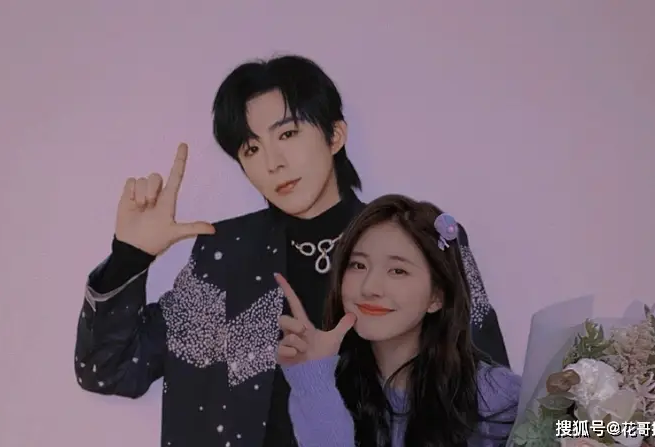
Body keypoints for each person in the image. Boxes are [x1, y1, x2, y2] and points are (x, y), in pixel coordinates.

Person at [73, 55, 510, 447]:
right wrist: (130, 257)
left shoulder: (418, 240)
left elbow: (492, 408)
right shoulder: (225, 256)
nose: (273, 162)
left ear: (335, 135)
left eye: (288, 133)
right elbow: (109, 369)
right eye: (252, 148)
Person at [275, 194, 521, 447]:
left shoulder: (496, 397)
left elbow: (549, 425)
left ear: (436, 296)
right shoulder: (326, 388)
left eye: (398, 271)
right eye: (358, 265)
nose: (369, 288)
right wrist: (314, 381)